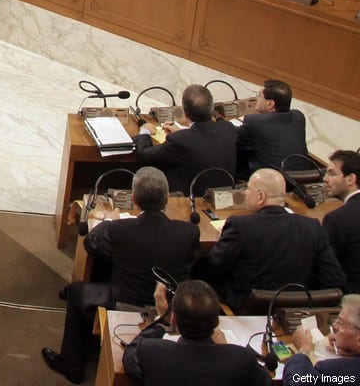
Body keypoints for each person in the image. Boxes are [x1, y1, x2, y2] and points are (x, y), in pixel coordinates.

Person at [41, 167, 200, 384]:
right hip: (170, 304)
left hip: (126, 302)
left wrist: (109, 221)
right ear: (167, 197)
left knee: (78, 292)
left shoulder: (120, 230)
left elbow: (90, 244)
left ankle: (71, 365)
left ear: (134, 199)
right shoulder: (189, 232)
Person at [195, 168, 345, 310]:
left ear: (261, 197)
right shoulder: (313, 228)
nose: (245, 193)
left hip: (246, 309)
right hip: (296, 310)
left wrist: (222, 241)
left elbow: (213, 269)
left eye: (248, 189)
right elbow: (333, 279)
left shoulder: (240, 226)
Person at [122, 279, 268, 385]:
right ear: (216, 322)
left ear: (174, 320)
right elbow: (265, 381)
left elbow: (130, 354)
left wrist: (162, 321)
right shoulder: (242, 359)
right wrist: (224, 347)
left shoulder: (150, 352)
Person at [133, 85, 236, 195]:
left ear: (185, 112)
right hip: (223, 197)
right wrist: (182, 133)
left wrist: (144, 132)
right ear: (211, 109)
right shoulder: (228, 129)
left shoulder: (180, 140)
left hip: (188, 200)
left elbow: (145, 155)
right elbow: (204, 141)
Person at [235, 79, 307, 176]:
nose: (256, 98)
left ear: (270, 104)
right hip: (303, 178)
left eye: (259, 96)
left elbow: (233, 138)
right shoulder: (298, 117)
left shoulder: (255, 122)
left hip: (273, 181)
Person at [286, 293, 360, 379]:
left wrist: (303, 350)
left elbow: (296, 380)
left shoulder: (330, 371)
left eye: (341, 323)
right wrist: (354, 352)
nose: (334, 326)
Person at [325, 150, 360, 293]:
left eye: (332, 173)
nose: (325, 179)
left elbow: (327, 271)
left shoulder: (336, 219)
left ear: (350, 179)